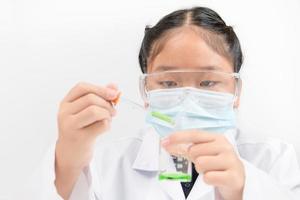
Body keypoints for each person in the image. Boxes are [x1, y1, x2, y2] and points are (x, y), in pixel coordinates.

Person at [18, 7, 300, 200]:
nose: (188, 98)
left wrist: (245, 187)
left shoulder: (274, 161)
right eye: (168, 83)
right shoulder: (105, 166)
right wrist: (67, 160)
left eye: (207, 82)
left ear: (236, 90)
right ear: (146, 90)